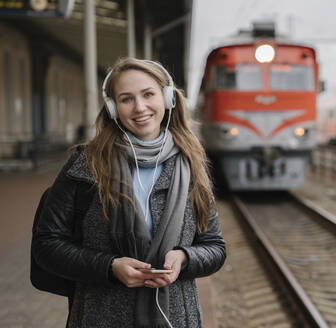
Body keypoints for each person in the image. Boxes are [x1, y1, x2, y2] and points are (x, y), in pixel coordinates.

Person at [32, 58, 226, 328]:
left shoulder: (191, 164)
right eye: (126, 99)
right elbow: (47, 245)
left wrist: (184, 257)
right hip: (99, 316)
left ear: (167, 97)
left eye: (148, 94)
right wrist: (109, 267)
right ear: (113, 108)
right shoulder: (86, 164)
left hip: (176, 317)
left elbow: (215, 246)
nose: (140, 107)